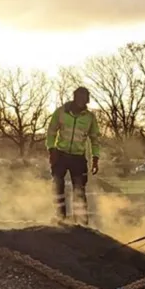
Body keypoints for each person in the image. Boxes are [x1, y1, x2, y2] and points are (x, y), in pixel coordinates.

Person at [45, 87, 101, 225]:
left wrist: (95, 159)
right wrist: (51, 150)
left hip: (78, 157)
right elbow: (51, 132)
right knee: (58, 184)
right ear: (75, 97)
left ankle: (81, 221)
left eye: (85, 98)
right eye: (80, 97)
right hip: (61, 154)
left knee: (79, 188)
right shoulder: (61, 112)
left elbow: (95, 139)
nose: (82, 100)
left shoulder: (90, 118)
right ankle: (60, 217)